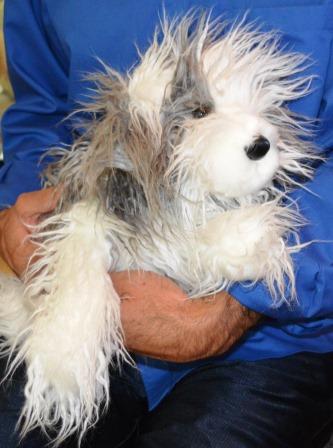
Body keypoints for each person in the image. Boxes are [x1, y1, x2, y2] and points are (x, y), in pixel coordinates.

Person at [0, 1, 333, 447]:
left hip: (278, 332)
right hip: (82, 284)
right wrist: (20, 216)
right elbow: (42, 108)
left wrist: (236, 305)